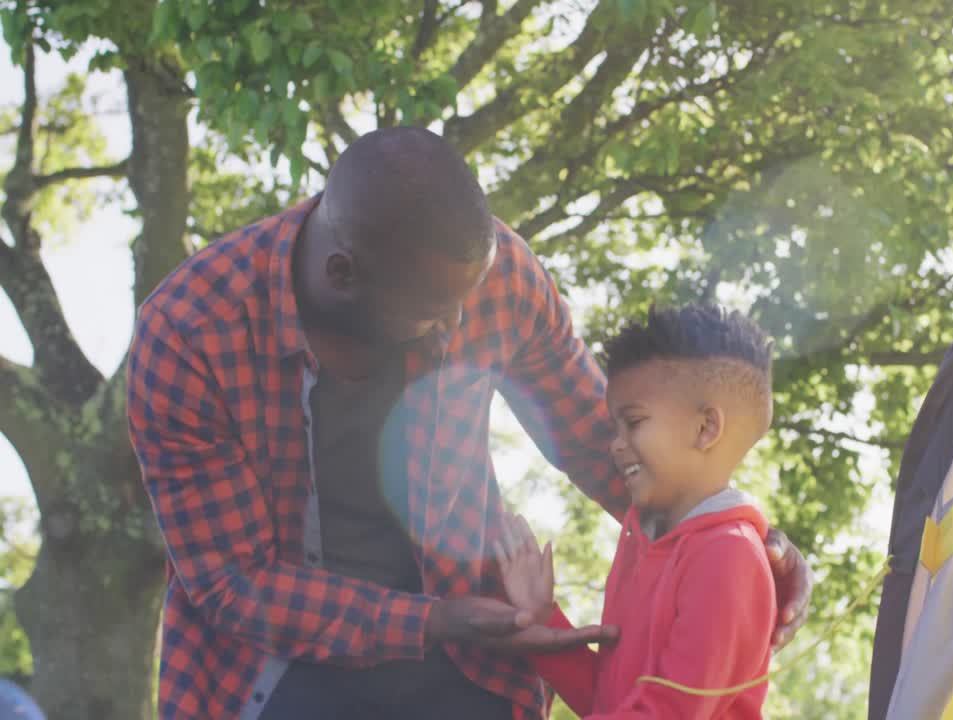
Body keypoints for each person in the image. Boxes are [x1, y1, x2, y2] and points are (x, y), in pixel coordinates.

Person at [126, 127, 812, 720]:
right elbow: (235, 582)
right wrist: (431, 619)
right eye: (434, 309)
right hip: (277, 666)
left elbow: (602, 441)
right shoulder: (189, 336)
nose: (458, 322)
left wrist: (743, 539)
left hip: (472, 656)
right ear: (343, 274)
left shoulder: (494, 276)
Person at [497, 304, 778, 719]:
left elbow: (668, 712)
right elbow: (609, 701)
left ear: (705, 429)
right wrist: (542, 620)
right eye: (615, 427)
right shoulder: (644, 540)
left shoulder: (728, 555)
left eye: (634, 422)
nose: (615, 444)